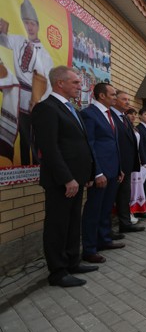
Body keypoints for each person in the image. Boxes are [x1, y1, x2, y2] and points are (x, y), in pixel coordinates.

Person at [31, 66, 96, 287]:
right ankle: (57, 272)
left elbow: (80, 144)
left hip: (76, 179)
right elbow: (50, 149)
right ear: (60, 83)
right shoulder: (47, 108)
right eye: (76, 82)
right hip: (62, 181)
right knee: (58, 225)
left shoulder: (72, 109)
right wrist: (67, 178)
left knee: (72, 222)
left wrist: (85, 174)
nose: (80, 86)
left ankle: (72, 261)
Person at [0, 0, 54, 165]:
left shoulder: (44, 54)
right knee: (23, 135)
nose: (29, 27)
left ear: (38, 26)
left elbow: (47, 83)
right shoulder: (17, 40)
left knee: (35, 136)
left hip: (35, 99)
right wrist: (2, 28)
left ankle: (36, 165)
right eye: (26, 23)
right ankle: (24, 165)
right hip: (19, 96)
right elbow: (3, 40)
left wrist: (38, 101)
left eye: (32, 23)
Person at [80, 82, 125, 264]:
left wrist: (119, 167)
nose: (115, 97)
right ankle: (90, 249)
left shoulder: (110, 115)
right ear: (101, 96)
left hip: (113, 170)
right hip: (101, 173)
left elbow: (113, 144)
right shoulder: (89, 114)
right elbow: (90, 145)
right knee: (94, 210)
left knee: (106, 209)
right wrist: (96, 172)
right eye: (113, 95)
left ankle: (104, 240)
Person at [110, 90, 145, 236]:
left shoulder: (123, 117)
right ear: (115, 100)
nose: (127, 102)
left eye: (128, 99)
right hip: (115, 165)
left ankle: (125, 223)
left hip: (127, 165)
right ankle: (106, 230)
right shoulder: (110, 116)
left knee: (124, 196)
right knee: (111, 198)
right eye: (124, 99)